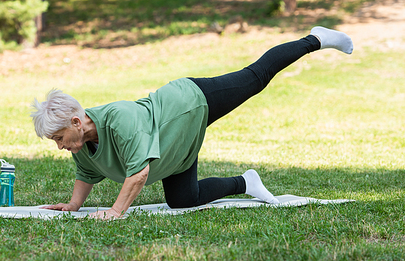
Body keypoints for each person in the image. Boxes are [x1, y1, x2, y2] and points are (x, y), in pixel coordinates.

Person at [31, 26, 353, 220]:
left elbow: (139, 172)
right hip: (175, 147)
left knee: (255, 78)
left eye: (59, 137)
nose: (60, 146)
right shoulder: (82, 145)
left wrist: (116, 211)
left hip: (188, 104)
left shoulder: (119, 119)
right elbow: (87, 173)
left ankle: (316, 39)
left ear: (76, 121)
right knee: (183, 201)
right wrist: (73, 205)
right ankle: (246, 183)